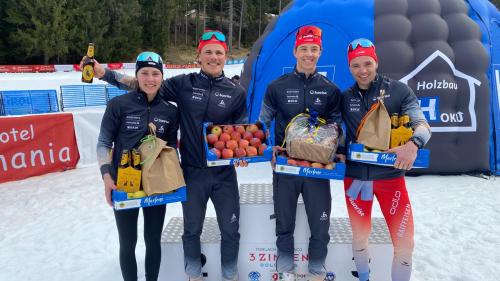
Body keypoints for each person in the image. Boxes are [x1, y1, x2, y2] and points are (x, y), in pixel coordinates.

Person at [88, 30, 247, 281]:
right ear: (199, 56)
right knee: (191, 230)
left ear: (226, 57)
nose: (213, 57)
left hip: (224, 175)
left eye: (219, 52)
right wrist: (106, 74)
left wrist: (243, 153)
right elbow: (146, 83)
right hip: (192, 173)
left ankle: (231, 275)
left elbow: (243, 133)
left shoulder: (236, 92)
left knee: (230, 229)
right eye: (208, 52)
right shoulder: (184, 84)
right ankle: (193, 276)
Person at [340, 38, 432, 281]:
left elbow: (422, 125)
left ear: (376, 62)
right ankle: (363, 277)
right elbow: (334, 133)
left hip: (391, 180)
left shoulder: (399, 91)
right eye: (356, 65)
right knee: (360, 238)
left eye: (367, 63)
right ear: (349, 68)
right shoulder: (344, 97)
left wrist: (413, 145)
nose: (362, 70)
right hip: (356, 180)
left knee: (405, 243)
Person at [258, 25, 342, 281]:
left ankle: (317, 269)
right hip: (286, 165)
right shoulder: (277, 86)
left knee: (320, 223)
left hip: (317, 167)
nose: (309, 54)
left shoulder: (330, 89)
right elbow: (263, 123)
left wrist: (338, 150)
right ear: (295, 51)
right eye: (304, 49)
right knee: (284, 224)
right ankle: (284, 270)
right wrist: (268, 145)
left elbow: (337, 126)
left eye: (314, 49)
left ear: (320, 52)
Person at [96, 51, 179, 281]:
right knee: (128, 242)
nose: (150, 79)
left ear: (162, 77)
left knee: (153, 240)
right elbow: (103, 143)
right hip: (124, 182)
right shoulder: (118, 105)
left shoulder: (170, 110)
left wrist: (173, 174)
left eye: (155, 73)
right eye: (145, 73)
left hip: (157, 184)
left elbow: (172, 147)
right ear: (137, 75)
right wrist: (106, 175)